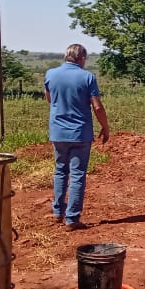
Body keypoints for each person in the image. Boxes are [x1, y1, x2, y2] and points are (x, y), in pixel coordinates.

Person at [44, 43, 109, 230]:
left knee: (60, 171)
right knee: (78, 174)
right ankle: (72, 218)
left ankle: (58, 212)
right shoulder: (87, 77)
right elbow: (97, 106)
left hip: (58, 132)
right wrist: (105, 127)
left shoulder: (50, 74)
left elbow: (49, 99)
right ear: (81, 58)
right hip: (80, 133)